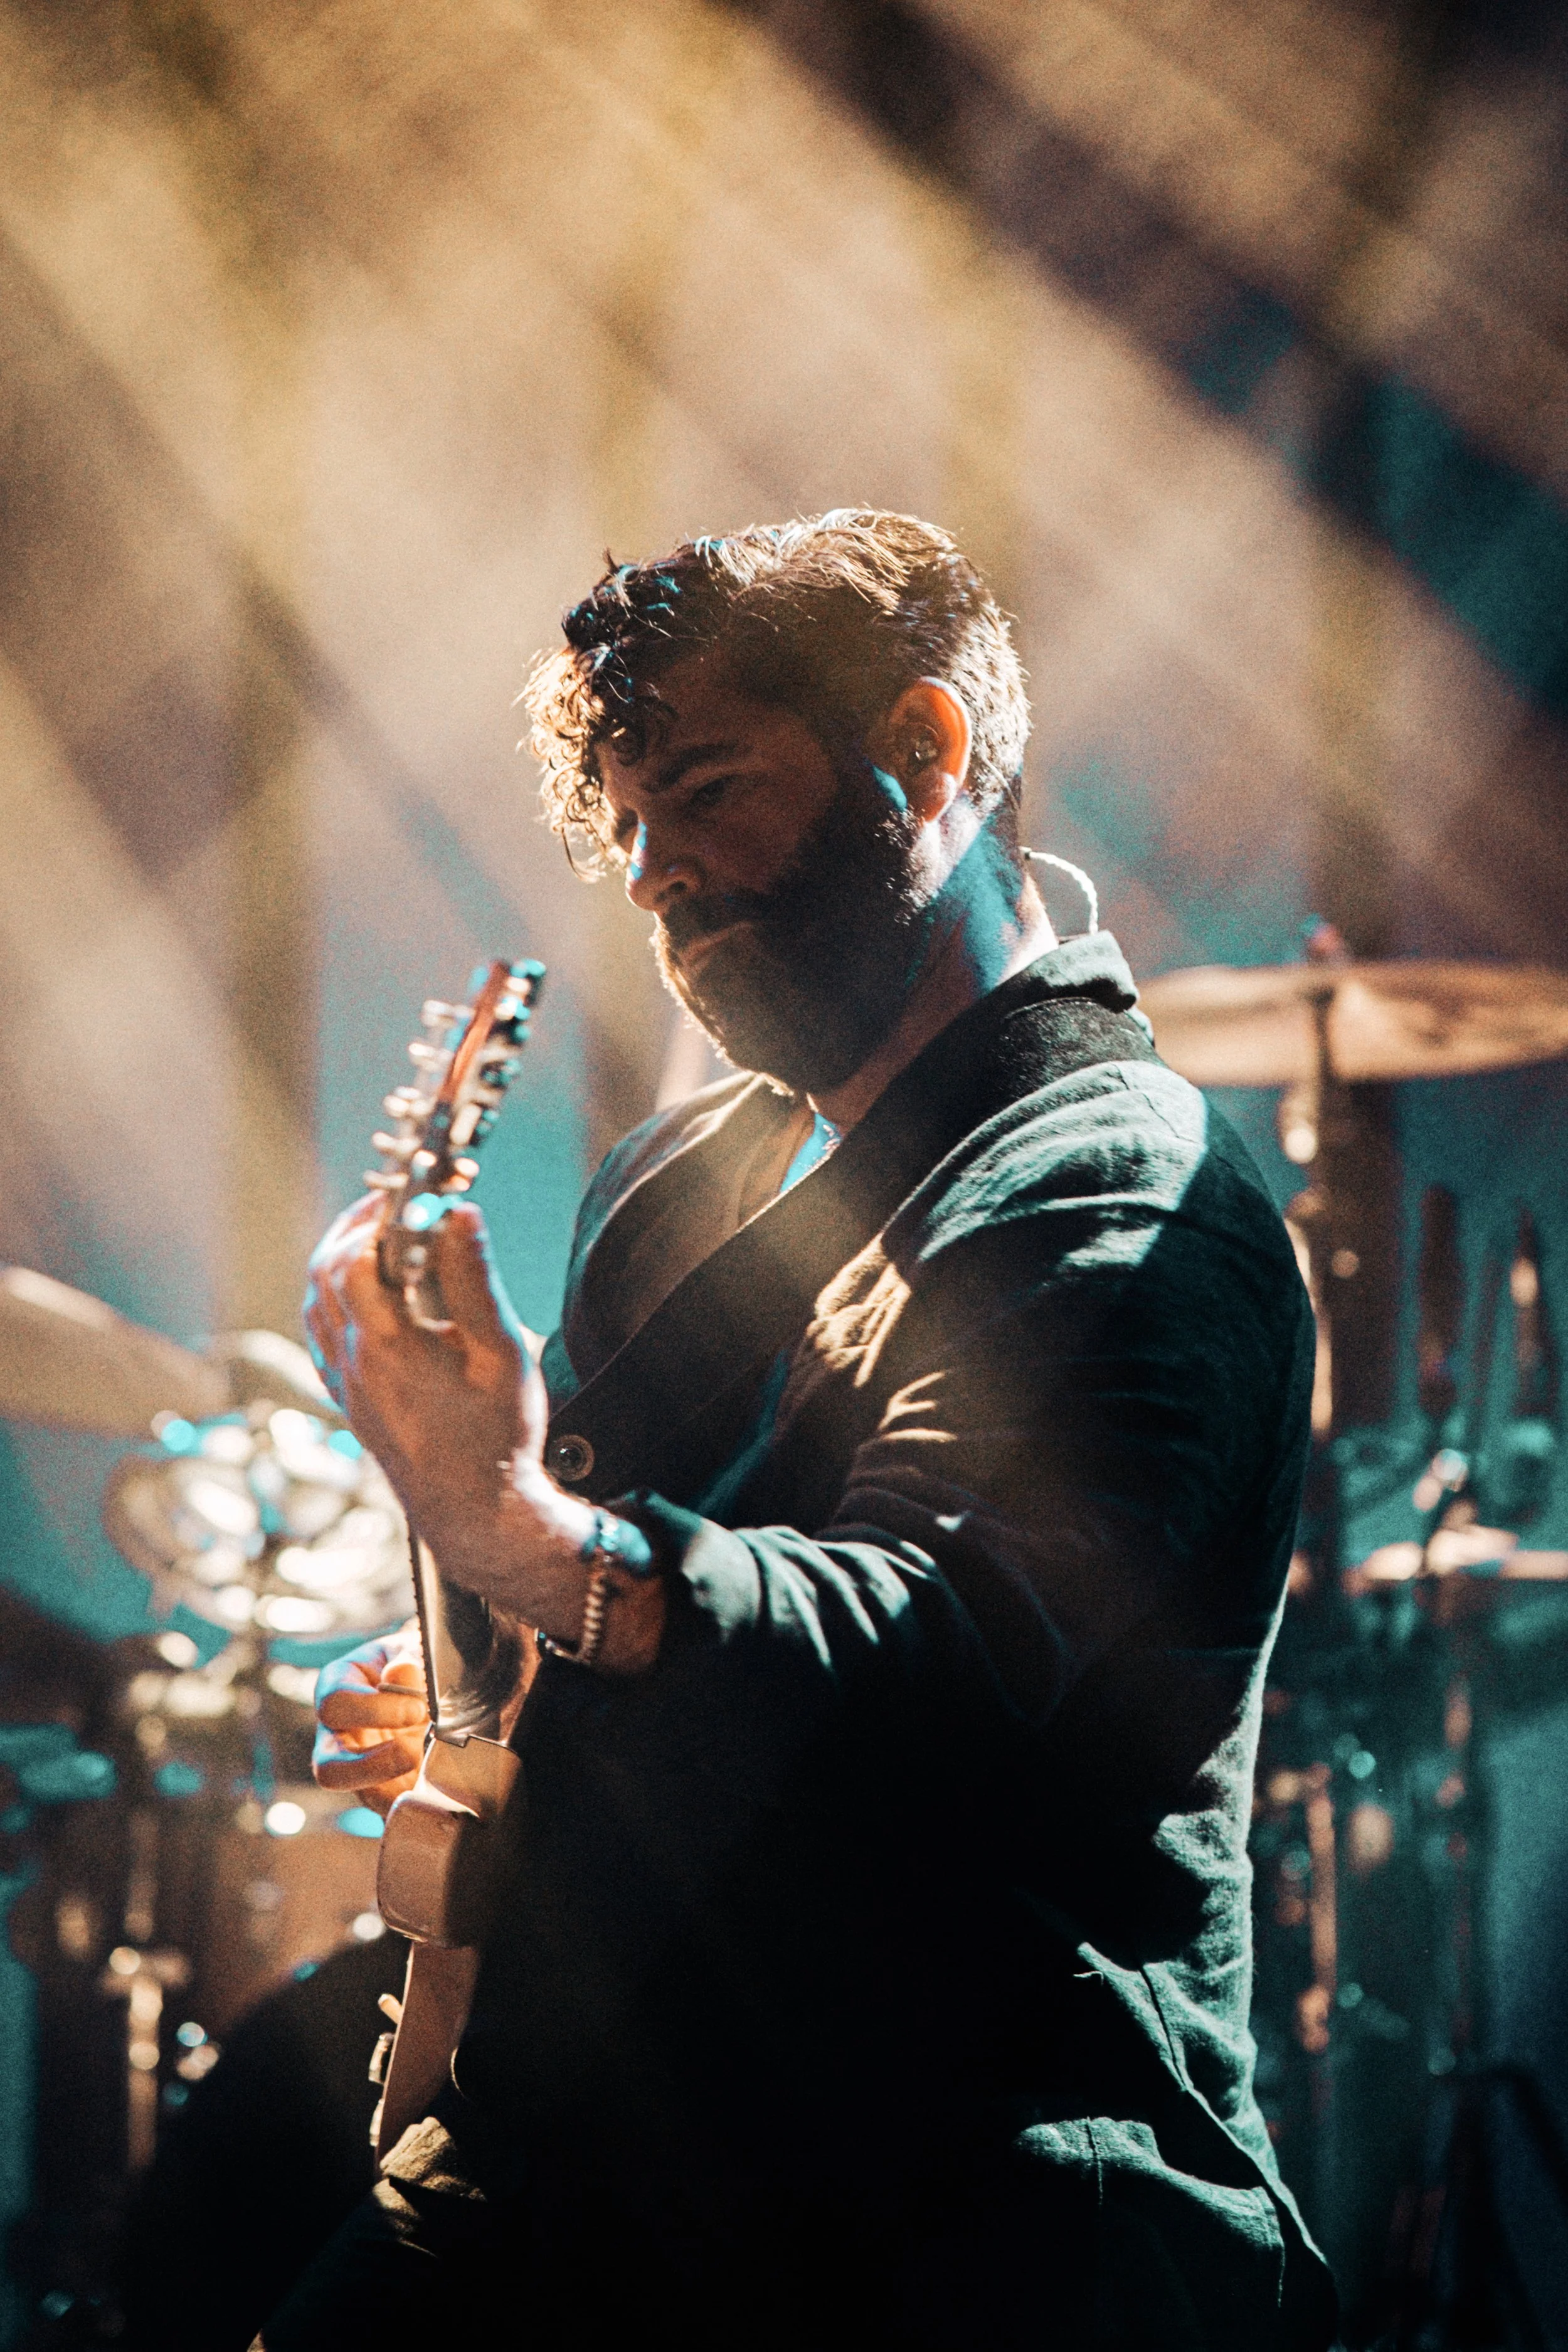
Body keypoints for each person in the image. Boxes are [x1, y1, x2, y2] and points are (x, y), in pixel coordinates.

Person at [272, 512, 1338, 2348]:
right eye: (624, 830)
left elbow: (932, 1663)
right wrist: (498, 1674)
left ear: (920, 751)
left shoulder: (1120, 1182)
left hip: (972, 2207)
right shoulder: (681, 1179)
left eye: (704, 792)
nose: (655, 874)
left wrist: (533, 1544)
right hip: (602, 2153)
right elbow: (627, 1616)